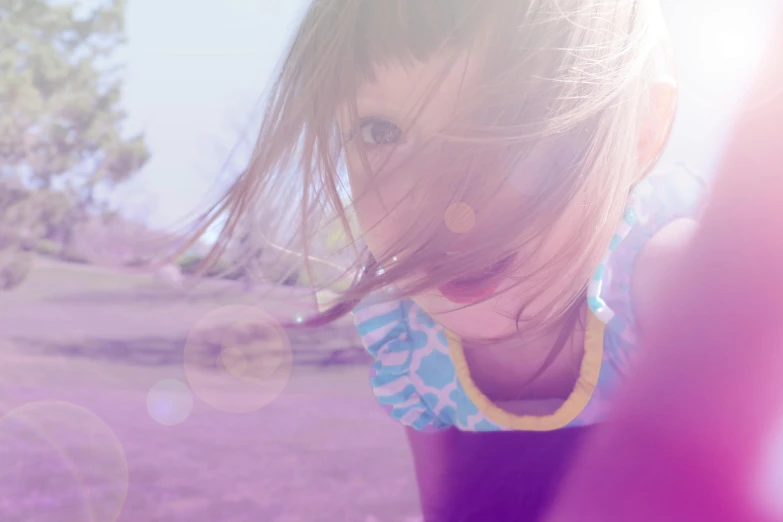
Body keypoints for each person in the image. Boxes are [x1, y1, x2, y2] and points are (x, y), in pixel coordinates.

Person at [191, 1, 707, 519]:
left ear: (642, 131)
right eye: (381, 132)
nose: (441, 203)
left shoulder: (669, 292)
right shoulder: (413, 352)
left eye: (511, 121)